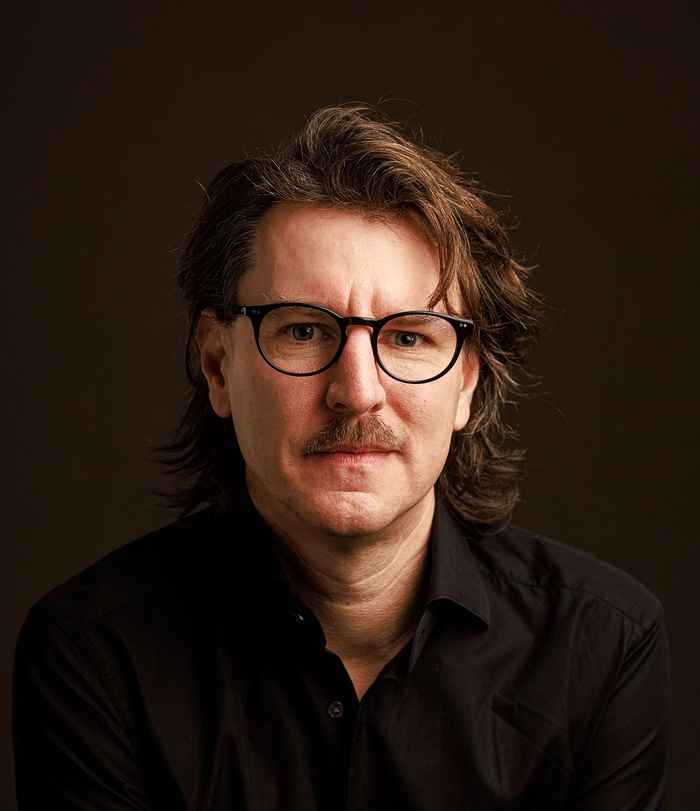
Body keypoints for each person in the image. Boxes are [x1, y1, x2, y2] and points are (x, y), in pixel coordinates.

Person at [12, 105, 671, 810]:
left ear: (466, 383)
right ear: (217, 365)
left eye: (409, 338)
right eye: (303, 330)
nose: (357, 392)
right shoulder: (94, 653)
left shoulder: (601, 643)